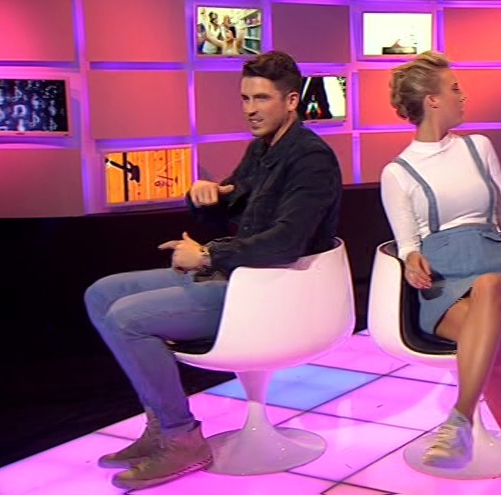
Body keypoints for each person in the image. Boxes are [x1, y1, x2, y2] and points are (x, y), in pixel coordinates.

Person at [84, 51, 342, 490]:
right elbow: (231, 213)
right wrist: (205, 196)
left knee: (127, 319)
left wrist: (206, 256)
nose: (250, 109)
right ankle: (159, 425)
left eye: (261, 98)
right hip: (241, 277)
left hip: (274, 291)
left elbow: (286, 242)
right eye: (245, 98)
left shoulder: (311, 158)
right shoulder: (260, 149)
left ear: (291, 101)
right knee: (102, 294)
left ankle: (181, 437)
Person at [380, 51, 501, 495]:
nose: (462, 95)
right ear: (431, 101)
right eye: (454, 88)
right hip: (443, 281)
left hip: (496, 267)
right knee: (493, 341)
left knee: (487, 289)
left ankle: (460, 418)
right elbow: (407, 243)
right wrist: (411, 260)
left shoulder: (478, 147)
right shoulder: (398, 172)